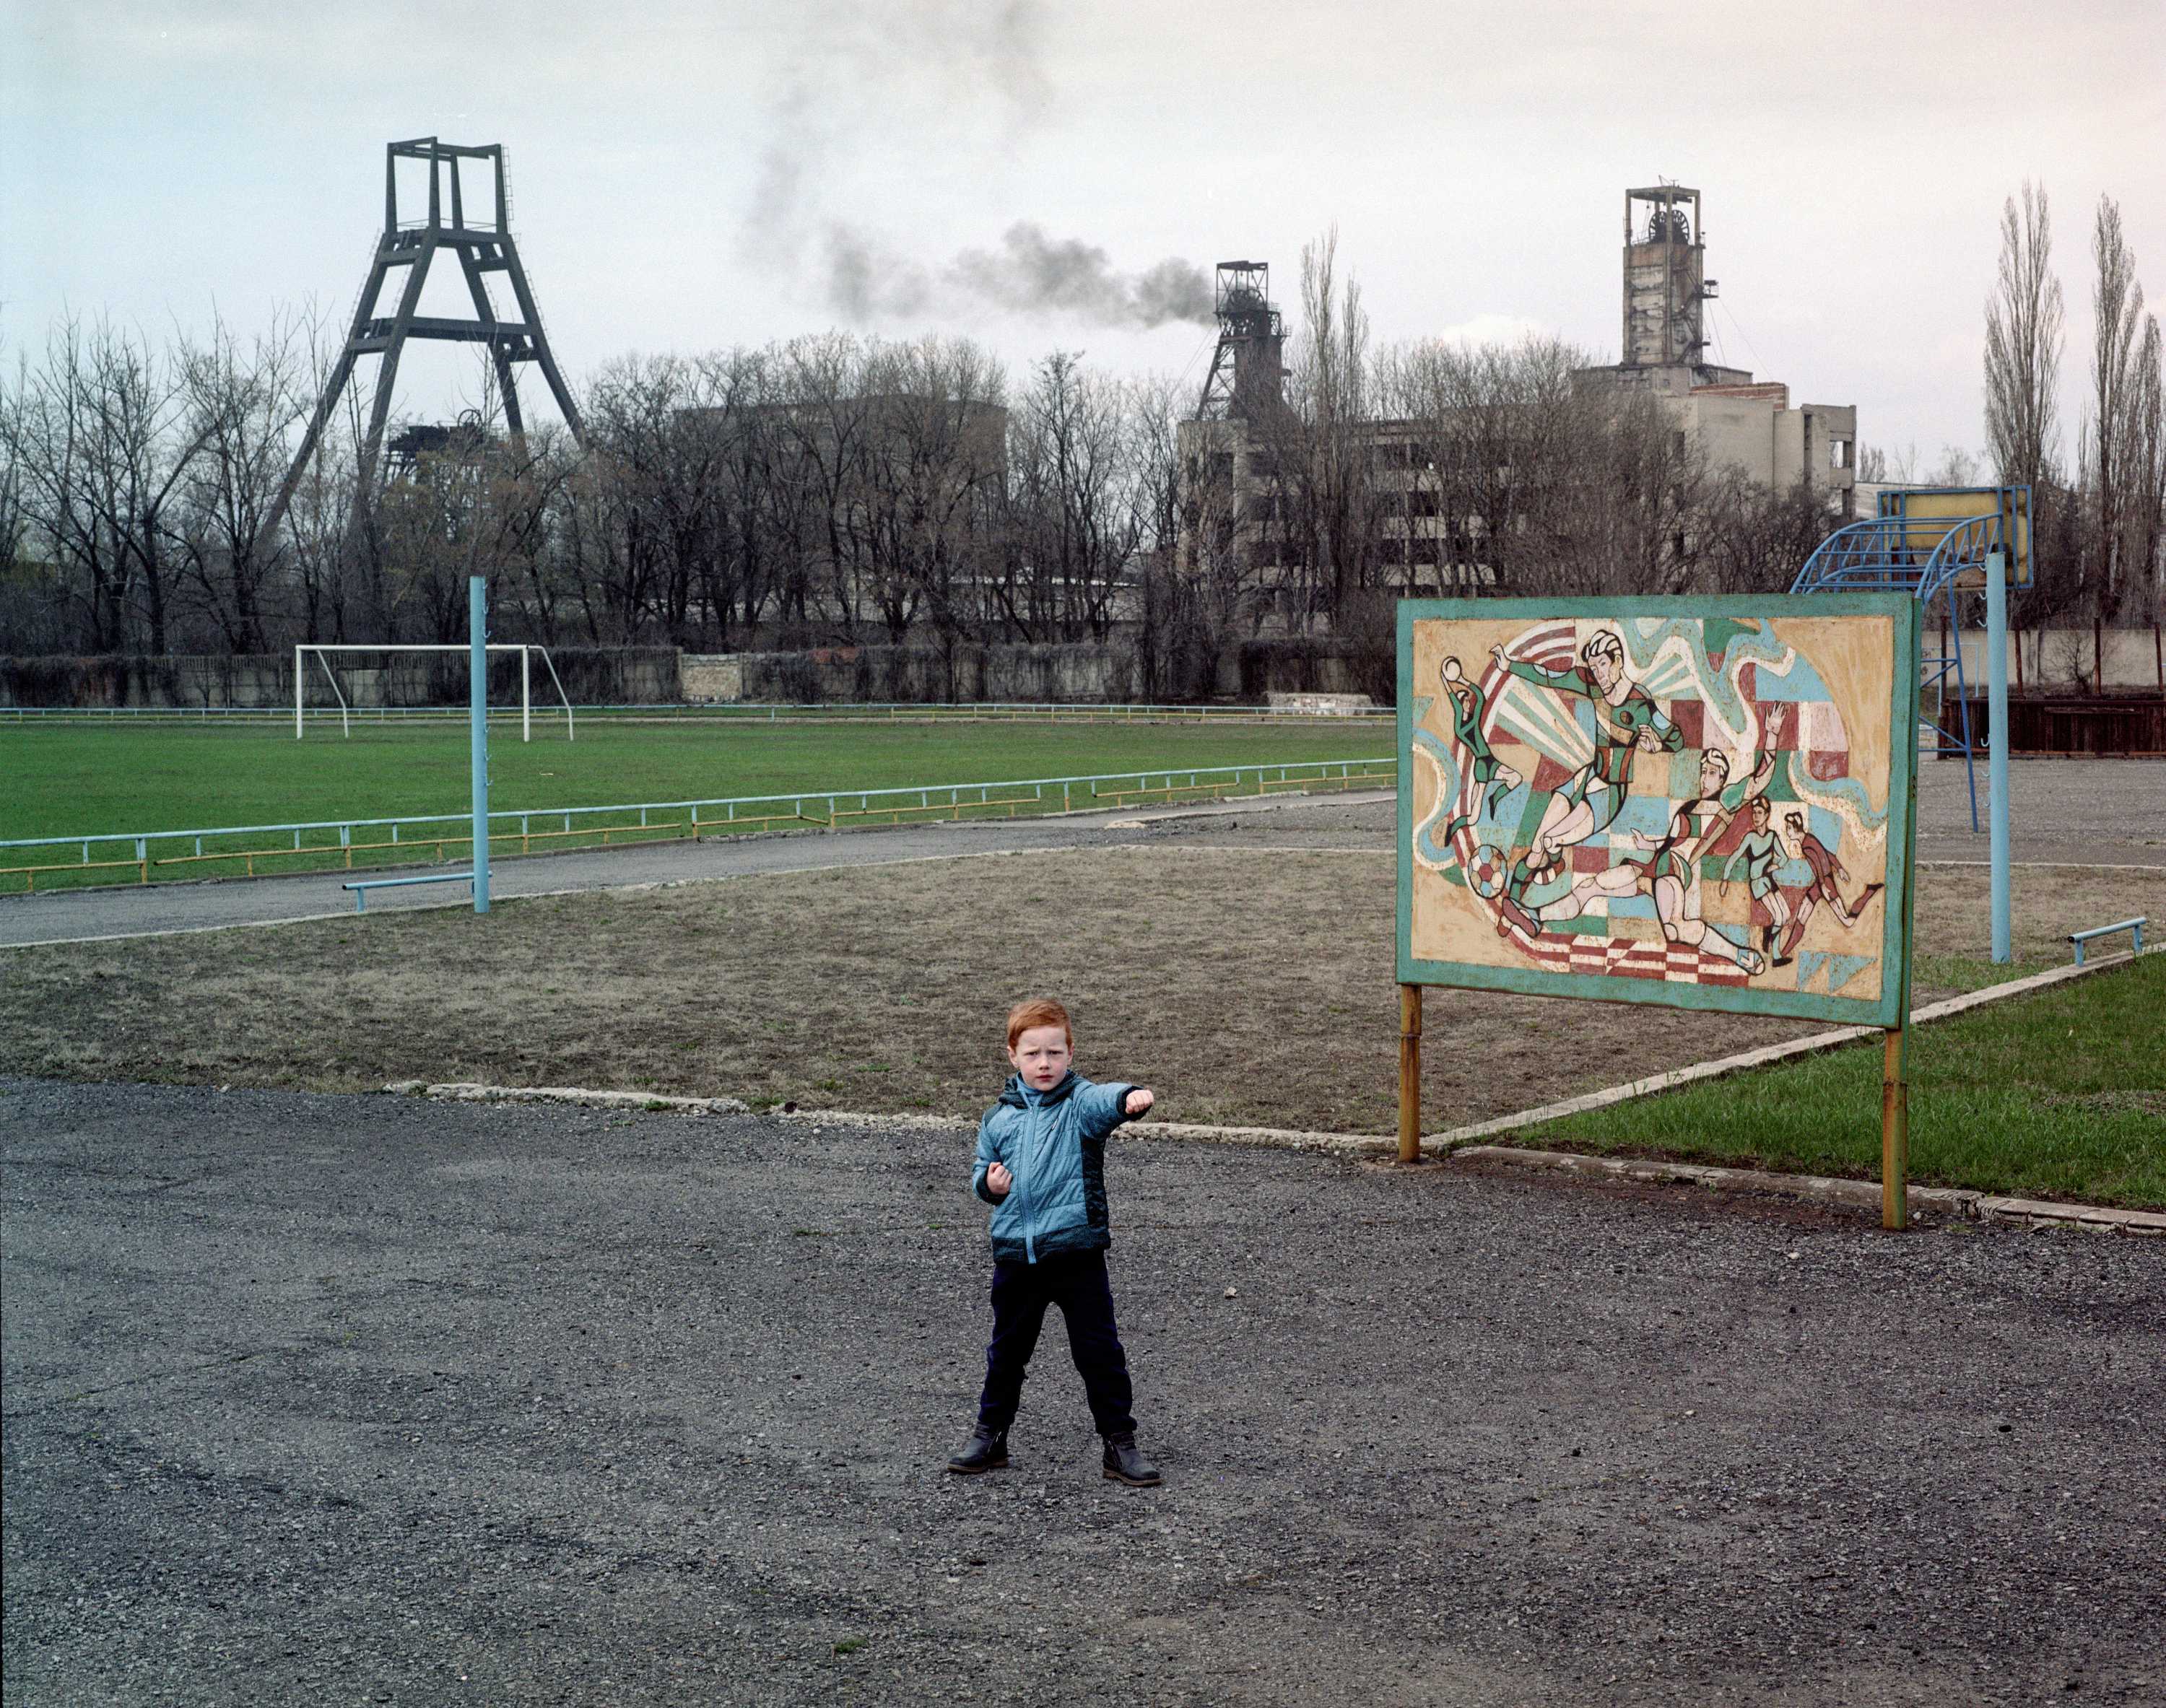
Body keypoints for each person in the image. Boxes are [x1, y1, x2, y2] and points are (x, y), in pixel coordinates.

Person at [947, 998, 1162, 1488]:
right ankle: (990, 1436)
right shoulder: (997, 1119)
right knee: (1007, 1353)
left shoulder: (1080, 1105)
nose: (1044, 1064)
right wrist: (991, 1186)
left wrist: (1129, 1097)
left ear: (1071, 1052)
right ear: (1012, 1056)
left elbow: (1103, 1100)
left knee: (1099, 1352)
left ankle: (1119, 1444)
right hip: (1015, 1257)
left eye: (1054, 1053)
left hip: (1076, 1253)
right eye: (1032, 1054)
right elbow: (982, 1173)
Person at [1775, 809, 1884, 959]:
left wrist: (1824, 885)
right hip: (1819, 885)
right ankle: (1784, 953)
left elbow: (1820, 864)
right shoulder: (1808, 840)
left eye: (1789, 828)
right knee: (1802, 916)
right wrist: (1839, 869)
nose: (1787, 831)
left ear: (1796, 828)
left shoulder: (1807, 845)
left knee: (1847, 921)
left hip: (1825, 884)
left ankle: (1869, 892)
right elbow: (1827, 855)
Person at [1438, 655, 1523, 845]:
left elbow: (1479, 695)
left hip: (1487, 762)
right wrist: (1448, 681)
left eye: (1467, 700)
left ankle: (1490, 801)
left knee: (1514, 780)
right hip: (1484, 764)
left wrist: (1461, 680)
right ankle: (1458, 823)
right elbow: (1455, 701)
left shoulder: (1471, 720)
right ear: (1460, 705)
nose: (1468, 702)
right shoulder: (1462, 726)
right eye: (1464, 701)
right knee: (1475, 816)